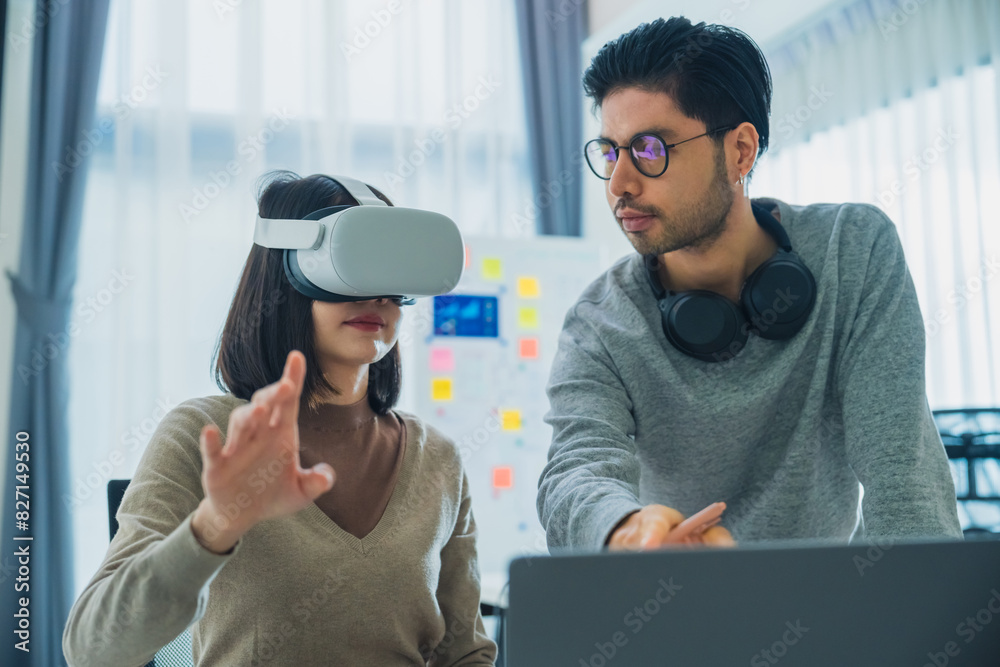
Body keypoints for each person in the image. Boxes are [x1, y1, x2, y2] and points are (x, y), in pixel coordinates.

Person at [536, 17, 962, 553]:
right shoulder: (600, 321)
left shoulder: (851, 251)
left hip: (834, 610)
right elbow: (573, 473)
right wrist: (626, 532)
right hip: (667, 599)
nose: (619, 183)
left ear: (739, 151)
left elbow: (904, 478)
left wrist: (910, 617)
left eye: (649, 150)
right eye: (610, 152)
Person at [63, 172, 497, 666]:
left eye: (391, 275)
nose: (377, 295)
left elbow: (464, 653)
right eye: (353, 265)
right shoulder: (203, 435)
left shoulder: (437, 457)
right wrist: (216, 524)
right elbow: (91, 649)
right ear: (283, 275)